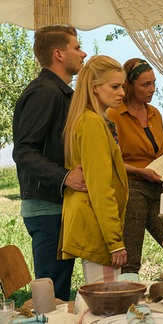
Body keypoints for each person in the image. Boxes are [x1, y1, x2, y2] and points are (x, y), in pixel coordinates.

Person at [12, 25, 87, 300]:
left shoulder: (61, 92)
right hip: (46, 207)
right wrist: (66, 177)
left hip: (58, 205)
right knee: (51, 295)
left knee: (59, 290)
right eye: (76, 47)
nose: (83, 53)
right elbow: (23, 151)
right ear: (58, 54)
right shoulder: (45, 91)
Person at [59, 55, 128, 284]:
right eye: (115, 86)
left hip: (95, 222)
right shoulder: (91, 122)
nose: (122, 93)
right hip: (97, 225)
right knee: (108, 306)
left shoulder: (91, 118)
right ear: (94, 88)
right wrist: (115, 241)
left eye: (123, 87)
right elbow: (100, 187)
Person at [106, 58, 163, 274]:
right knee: (131, 257)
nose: (152, 89)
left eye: (154, 83)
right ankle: (129, 302)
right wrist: (140, 171)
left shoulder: (155, 113)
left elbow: (161, 153)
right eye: (145, 85)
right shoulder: (113, 115)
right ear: (128, 86)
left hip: (157, 188)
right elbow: (109, 161)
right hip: (131, 187)